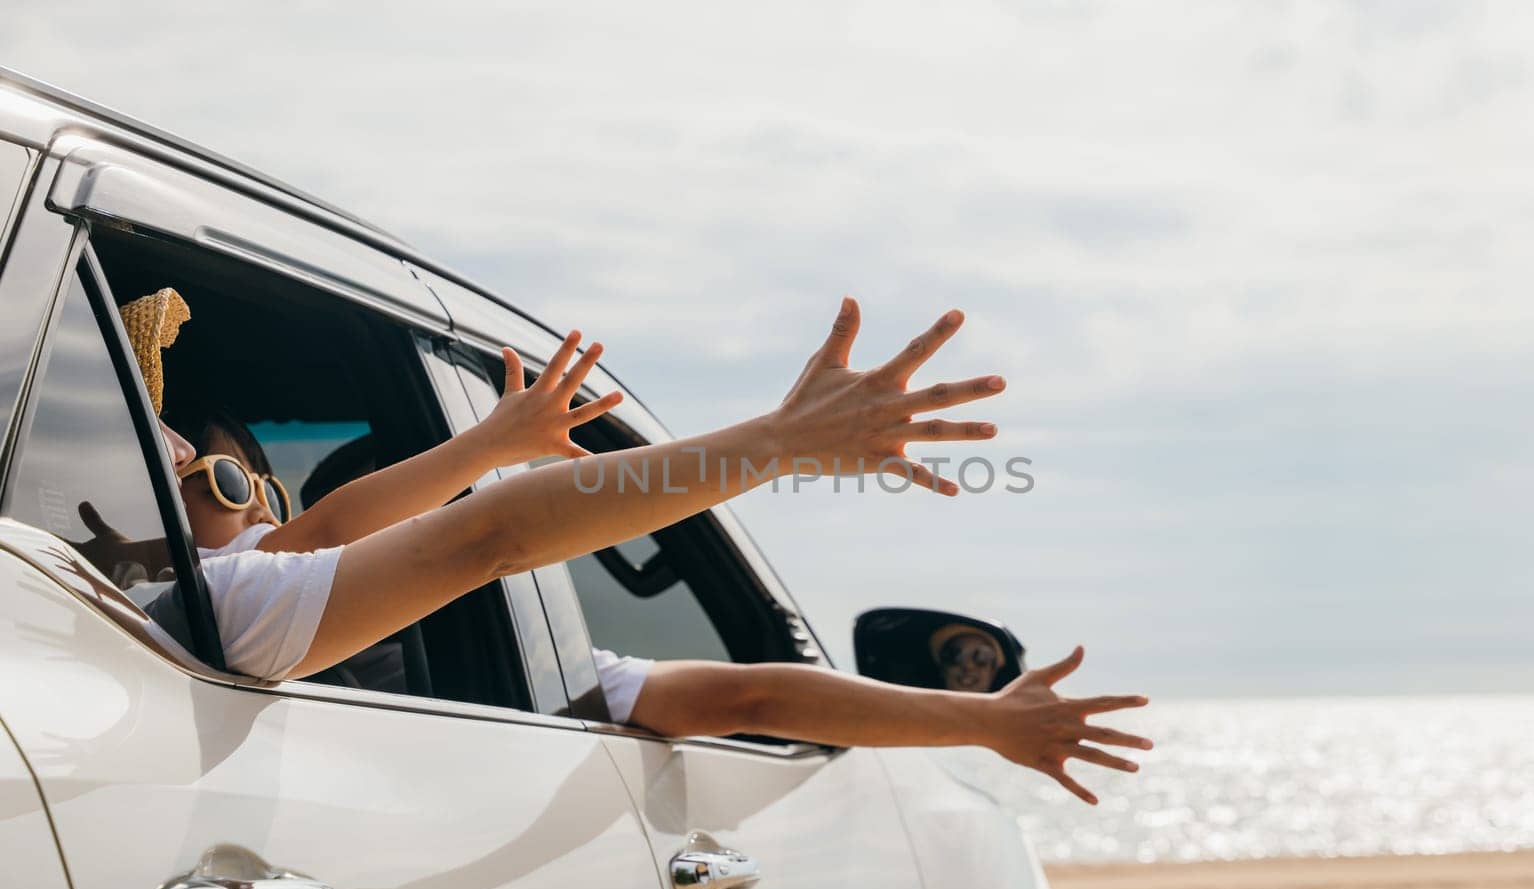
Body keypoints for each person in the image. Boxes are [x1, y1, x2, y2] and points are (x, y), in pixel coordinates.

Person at [116, 288, 1151, 801]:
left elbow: (751, 695)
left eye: (247, 483)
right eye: (208, 476)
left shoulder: (514, 660)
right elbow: (487, 533)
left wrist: (977, 718)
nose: (246, 505)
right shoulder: (225, 610)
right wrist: (774, 445)